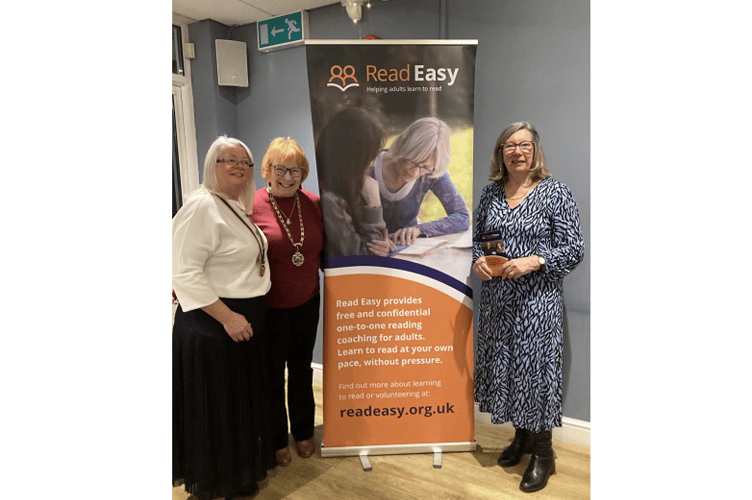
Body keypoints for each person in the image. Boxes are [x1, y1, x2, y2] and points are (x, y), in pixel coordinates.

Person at [471, 122, 584, 493]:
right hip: (497, 303)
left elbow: (574, 249)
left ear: (535, 150)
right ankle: (520, 438)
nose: (517, 151)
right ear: (501, 152)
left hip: (537, 305)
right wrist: (478, 261)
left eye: (524, 144)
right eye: (509, 145)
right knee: (507, 371)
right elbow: (480, 241)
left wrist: (535, 260)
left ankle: (544, 454)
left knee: (535, 376)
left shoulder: (555, 192)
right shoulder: (491, 193)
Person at [172, 136, 273, 500]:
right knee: (215, 411)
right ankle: (213, 483)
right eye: (229, 159)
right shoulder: (201, 206)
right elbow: (183, 272)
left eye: (245, 161)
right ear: (211, 166)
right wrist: (228, 317)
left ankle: (236, 473)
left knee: (233, 408)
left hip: (239, 325)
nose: (238, 166)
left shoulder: (233, 205)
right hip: (214, 326)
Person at [252, 137, 324, 466]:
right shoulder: (250, 205)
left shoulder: (314, 204)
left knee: (300, 369)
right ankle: (277, 438)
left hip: (308, 301)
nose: (287, 177)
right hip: (268, 306)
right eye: (280, 169)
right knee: (271, 374)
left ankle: (304, 431)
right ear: (267, 170)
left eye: (295, 171)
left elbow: (326, 250)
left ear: (303, 174)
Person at [371, 117, 470, 245]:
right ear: (403, 148)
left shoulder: (432, 170)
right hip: (367, 248)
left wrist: (419, 229)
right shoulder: (370, 166)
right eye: (413, 162)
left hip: (407, 248)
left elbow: (462, 216)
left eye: (425, 167)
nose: (415, 173)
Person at [317, 107, 395, 257]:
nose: (372, 164)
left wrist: (383, 242)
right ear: (352, 158)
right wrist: (374, 205)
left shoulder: (349, 184)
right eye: (370, 156)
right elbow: (362, 258)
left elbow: (374, 244)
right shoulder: (328, 200)